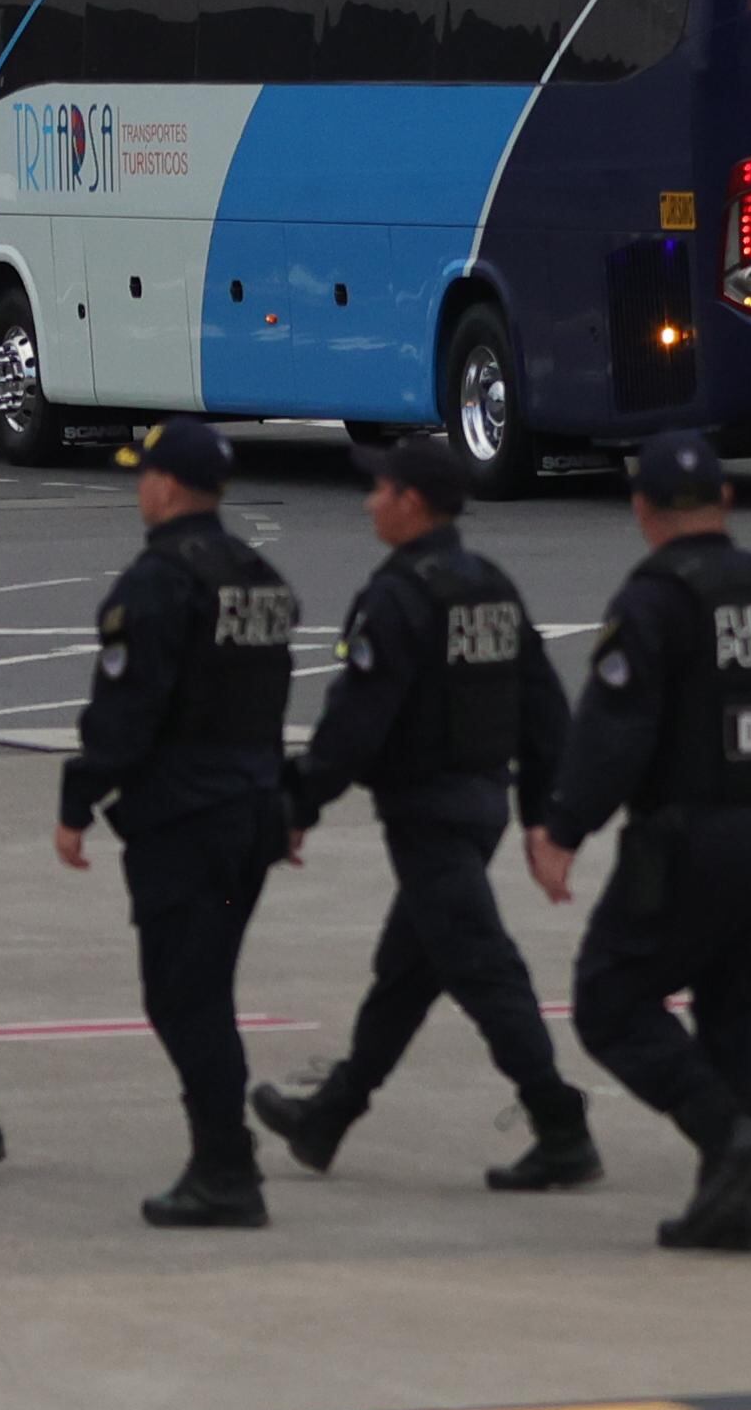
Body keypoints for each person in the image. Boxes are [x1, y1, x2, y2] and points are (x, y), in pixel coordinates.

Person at [251, 433, 594, 1190]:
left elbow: (355, 722)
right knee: (406, 973)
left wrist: (297, 802)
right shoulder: (489, 584)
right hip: (480, 805)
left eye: (381, 489)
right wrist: (542, 814)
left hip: (429, 812)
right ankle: (329, 1116)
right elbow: (545, 709)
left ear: (411, 502)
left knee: (485, 970)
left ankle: (561, 1125)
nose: (371, 500)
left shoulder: (398, 596)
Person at [530, 431, 751, 1254]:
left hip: (695, 833)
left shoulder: (655, 600)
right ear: (726, 500)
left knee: (610, 998)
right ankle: (734, 1201)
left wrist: (564, 827)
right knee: (749, 1003)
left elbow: (616, 728)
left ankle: (728, 1137)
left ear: (642, 510)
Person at [58, 420, 298, 1228]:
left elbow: (127, 712)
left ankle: (226, 1168)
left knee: (183, 998)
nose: (140, 490)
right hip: (250, 816)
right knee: (206, 990)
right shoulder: (257, 577)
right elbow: (267, 706)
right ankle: (224, 1157)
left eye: (144, 476)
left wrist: (77, 798)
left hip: (185, 823)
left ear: (167, 486)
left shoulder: (159, 582)